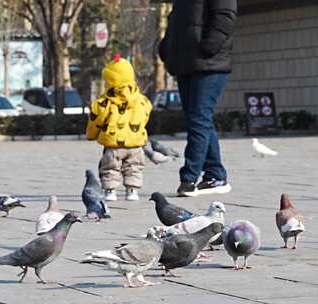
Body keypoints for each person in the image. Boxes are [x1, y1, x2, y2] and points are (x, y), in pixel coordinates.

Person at [158, 0, 237, 197]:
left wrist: (208, 47)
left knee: (198, 120)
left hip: (209, 65)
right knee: (199, 120)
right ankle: (215, 176)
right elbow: (176, 23)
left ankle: (189, 178)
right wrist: (167, 49)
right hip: (186, 64)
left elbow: (224, 17)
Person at [86, 55, 152, 201]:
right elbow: (145, 117)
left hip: (113, 144)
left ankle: (110, 191)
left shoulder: (104, 102)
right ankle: (132, 191)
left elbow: (95, 120)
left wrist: (91, 135)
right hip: (135, 144)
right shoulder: (142, 100)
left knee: (110, 167)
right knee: (134, 167)